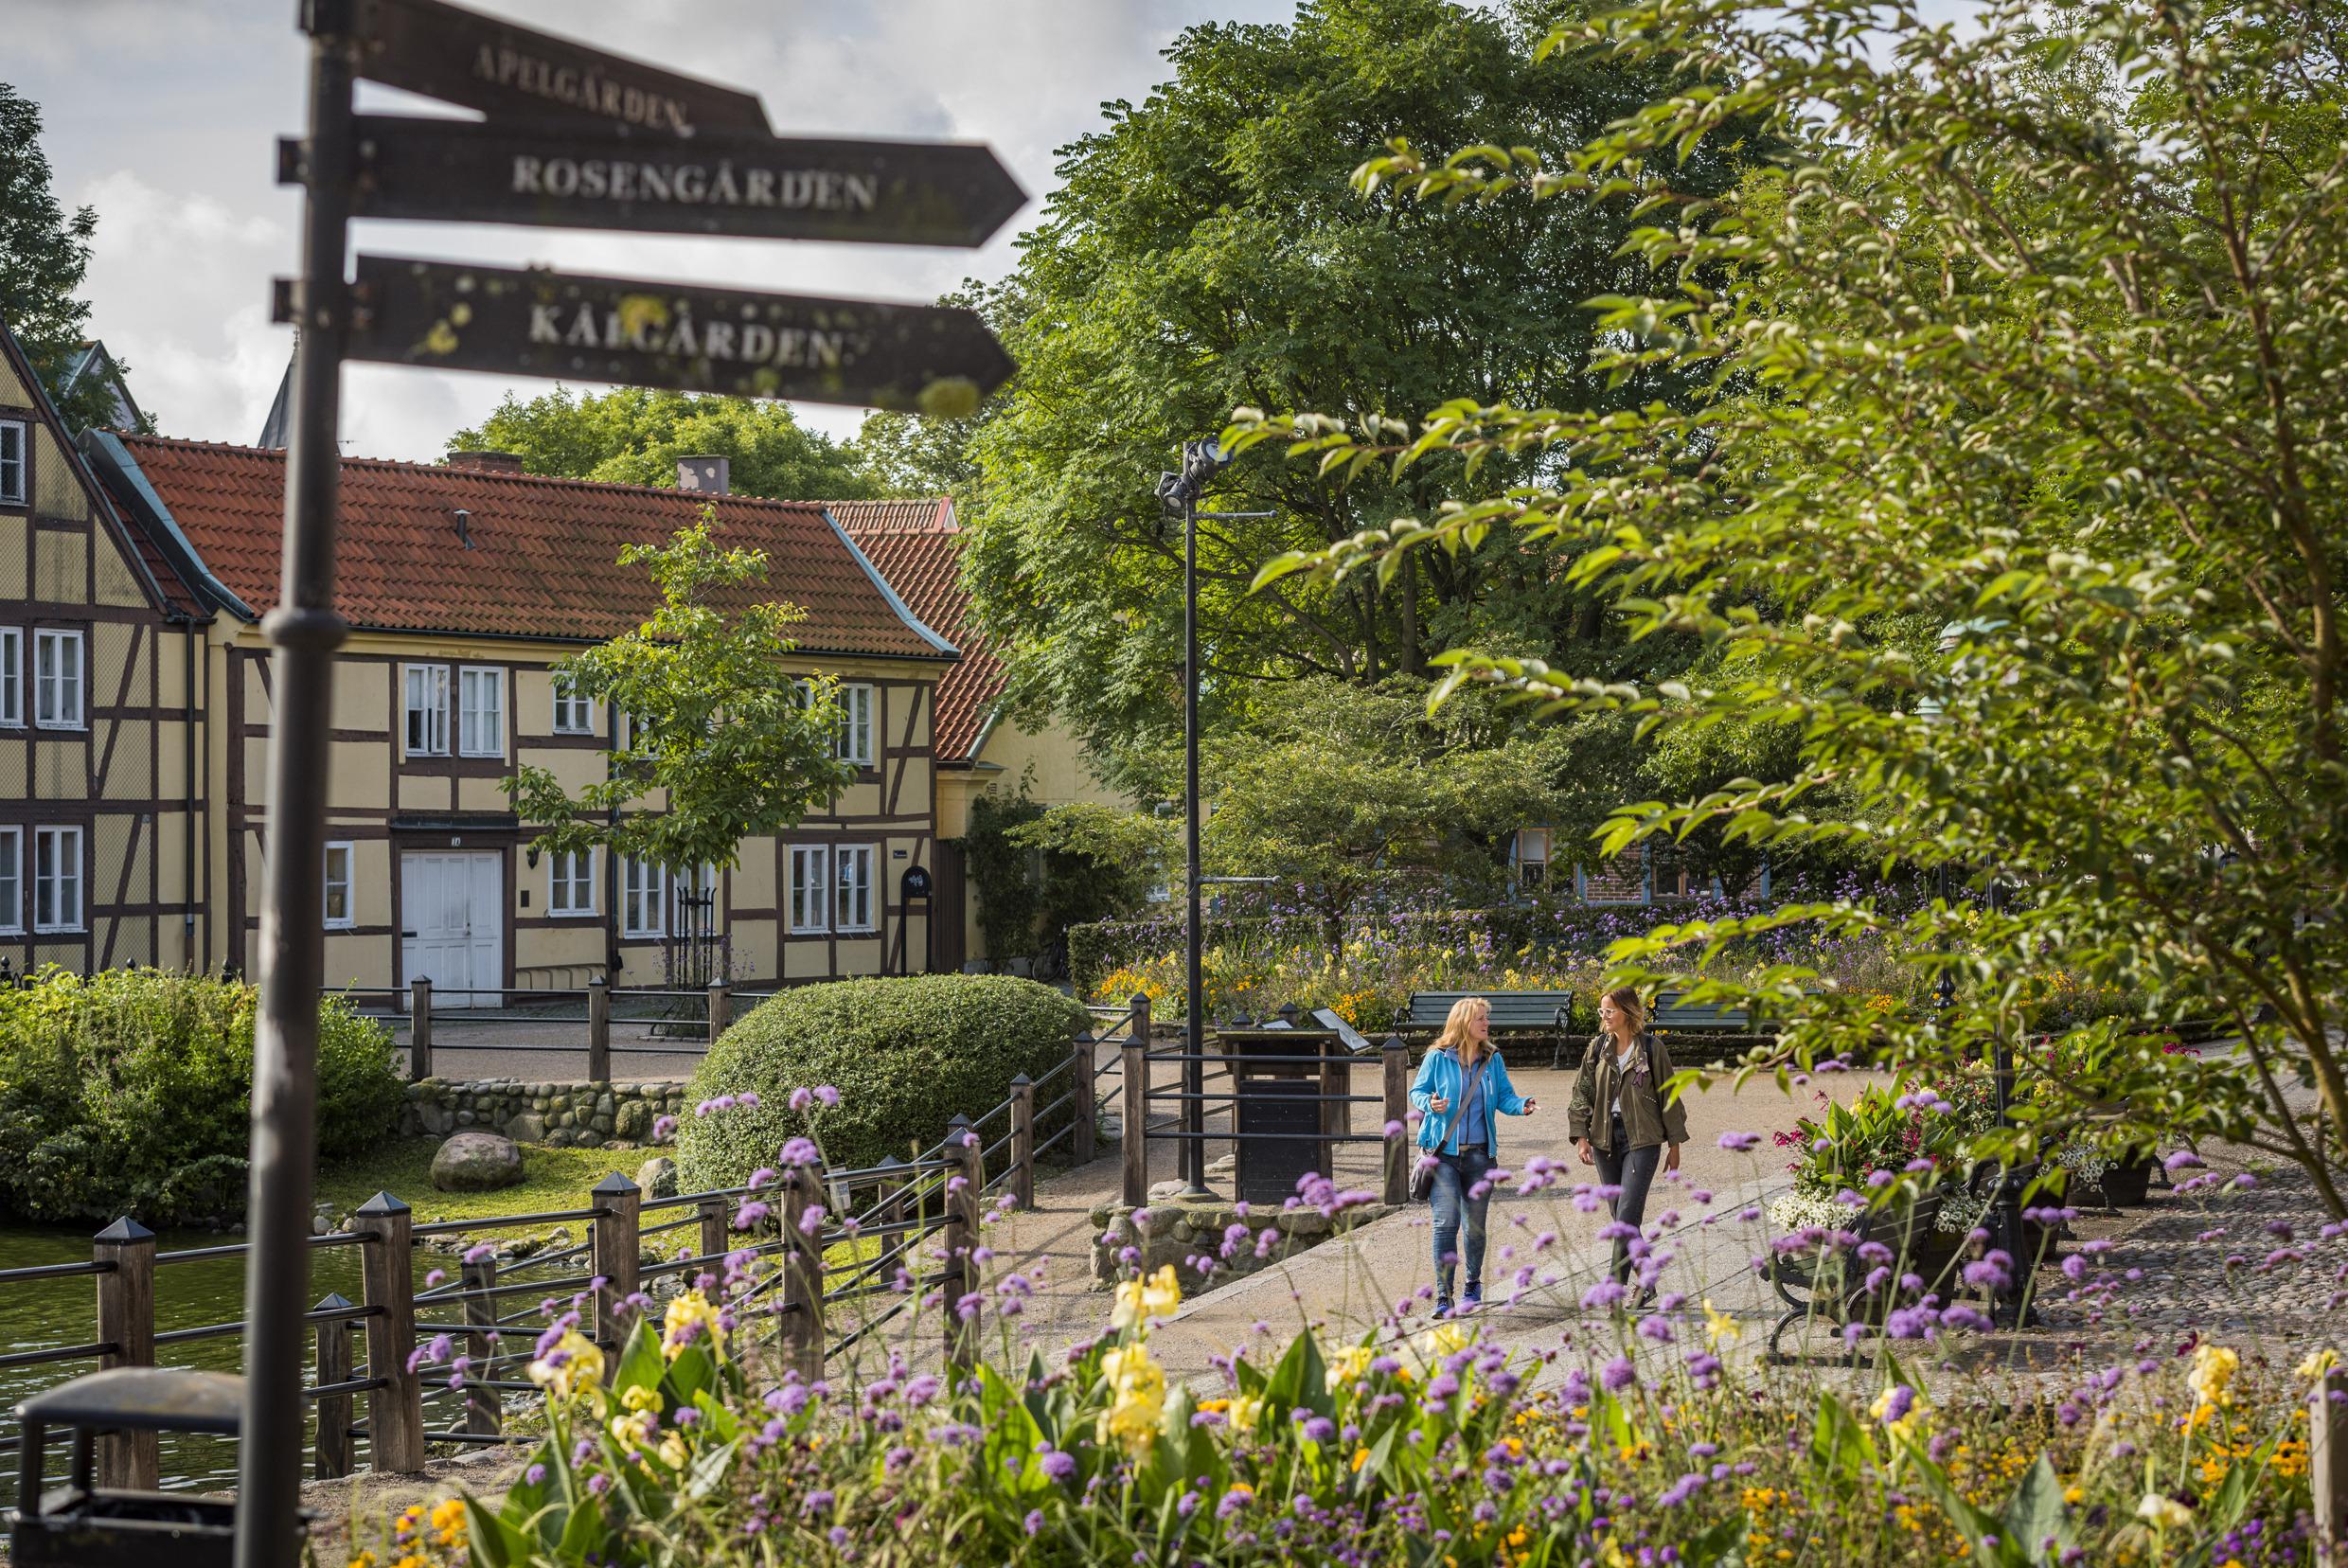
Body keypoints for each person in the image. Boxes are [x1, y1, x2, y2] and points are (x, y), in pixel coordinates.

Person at [1408, 996, 1537, 1317]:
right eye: (1481, 1018)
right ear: (1464, 1021)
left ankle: (1472, 1285)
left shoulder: (1492, 1059)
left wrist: (1521, 1106)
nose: (1486, 1023)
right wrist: (1429, 1103)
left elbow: (1504, 1096)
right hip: (1443, 1156)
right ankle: (1443, 1295)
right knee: (1444, 1223)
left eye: (1486, 1018)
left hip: (1480, 1157)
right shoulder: (1437, 1057)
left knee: (1474, 1226)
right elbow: (1417, 1092)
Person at [1567, 987, 1689, 1307]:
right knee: (1623, 1221)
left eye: (1610, 1011)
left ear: (1628, 1012)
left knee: (1624, 1219)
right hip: (1605, 1139)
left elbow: (1669, 1096)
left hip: (1643, 1140)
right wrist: (1581, 1135)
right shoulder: (1597, 1048)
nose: (1604, 1017)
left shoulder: (1651, 1048)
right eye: (1601, 1011)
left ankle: (1613, 1291)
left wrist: (1674, 1144)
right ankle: (1647, 1281)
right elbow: (1582, 1092)